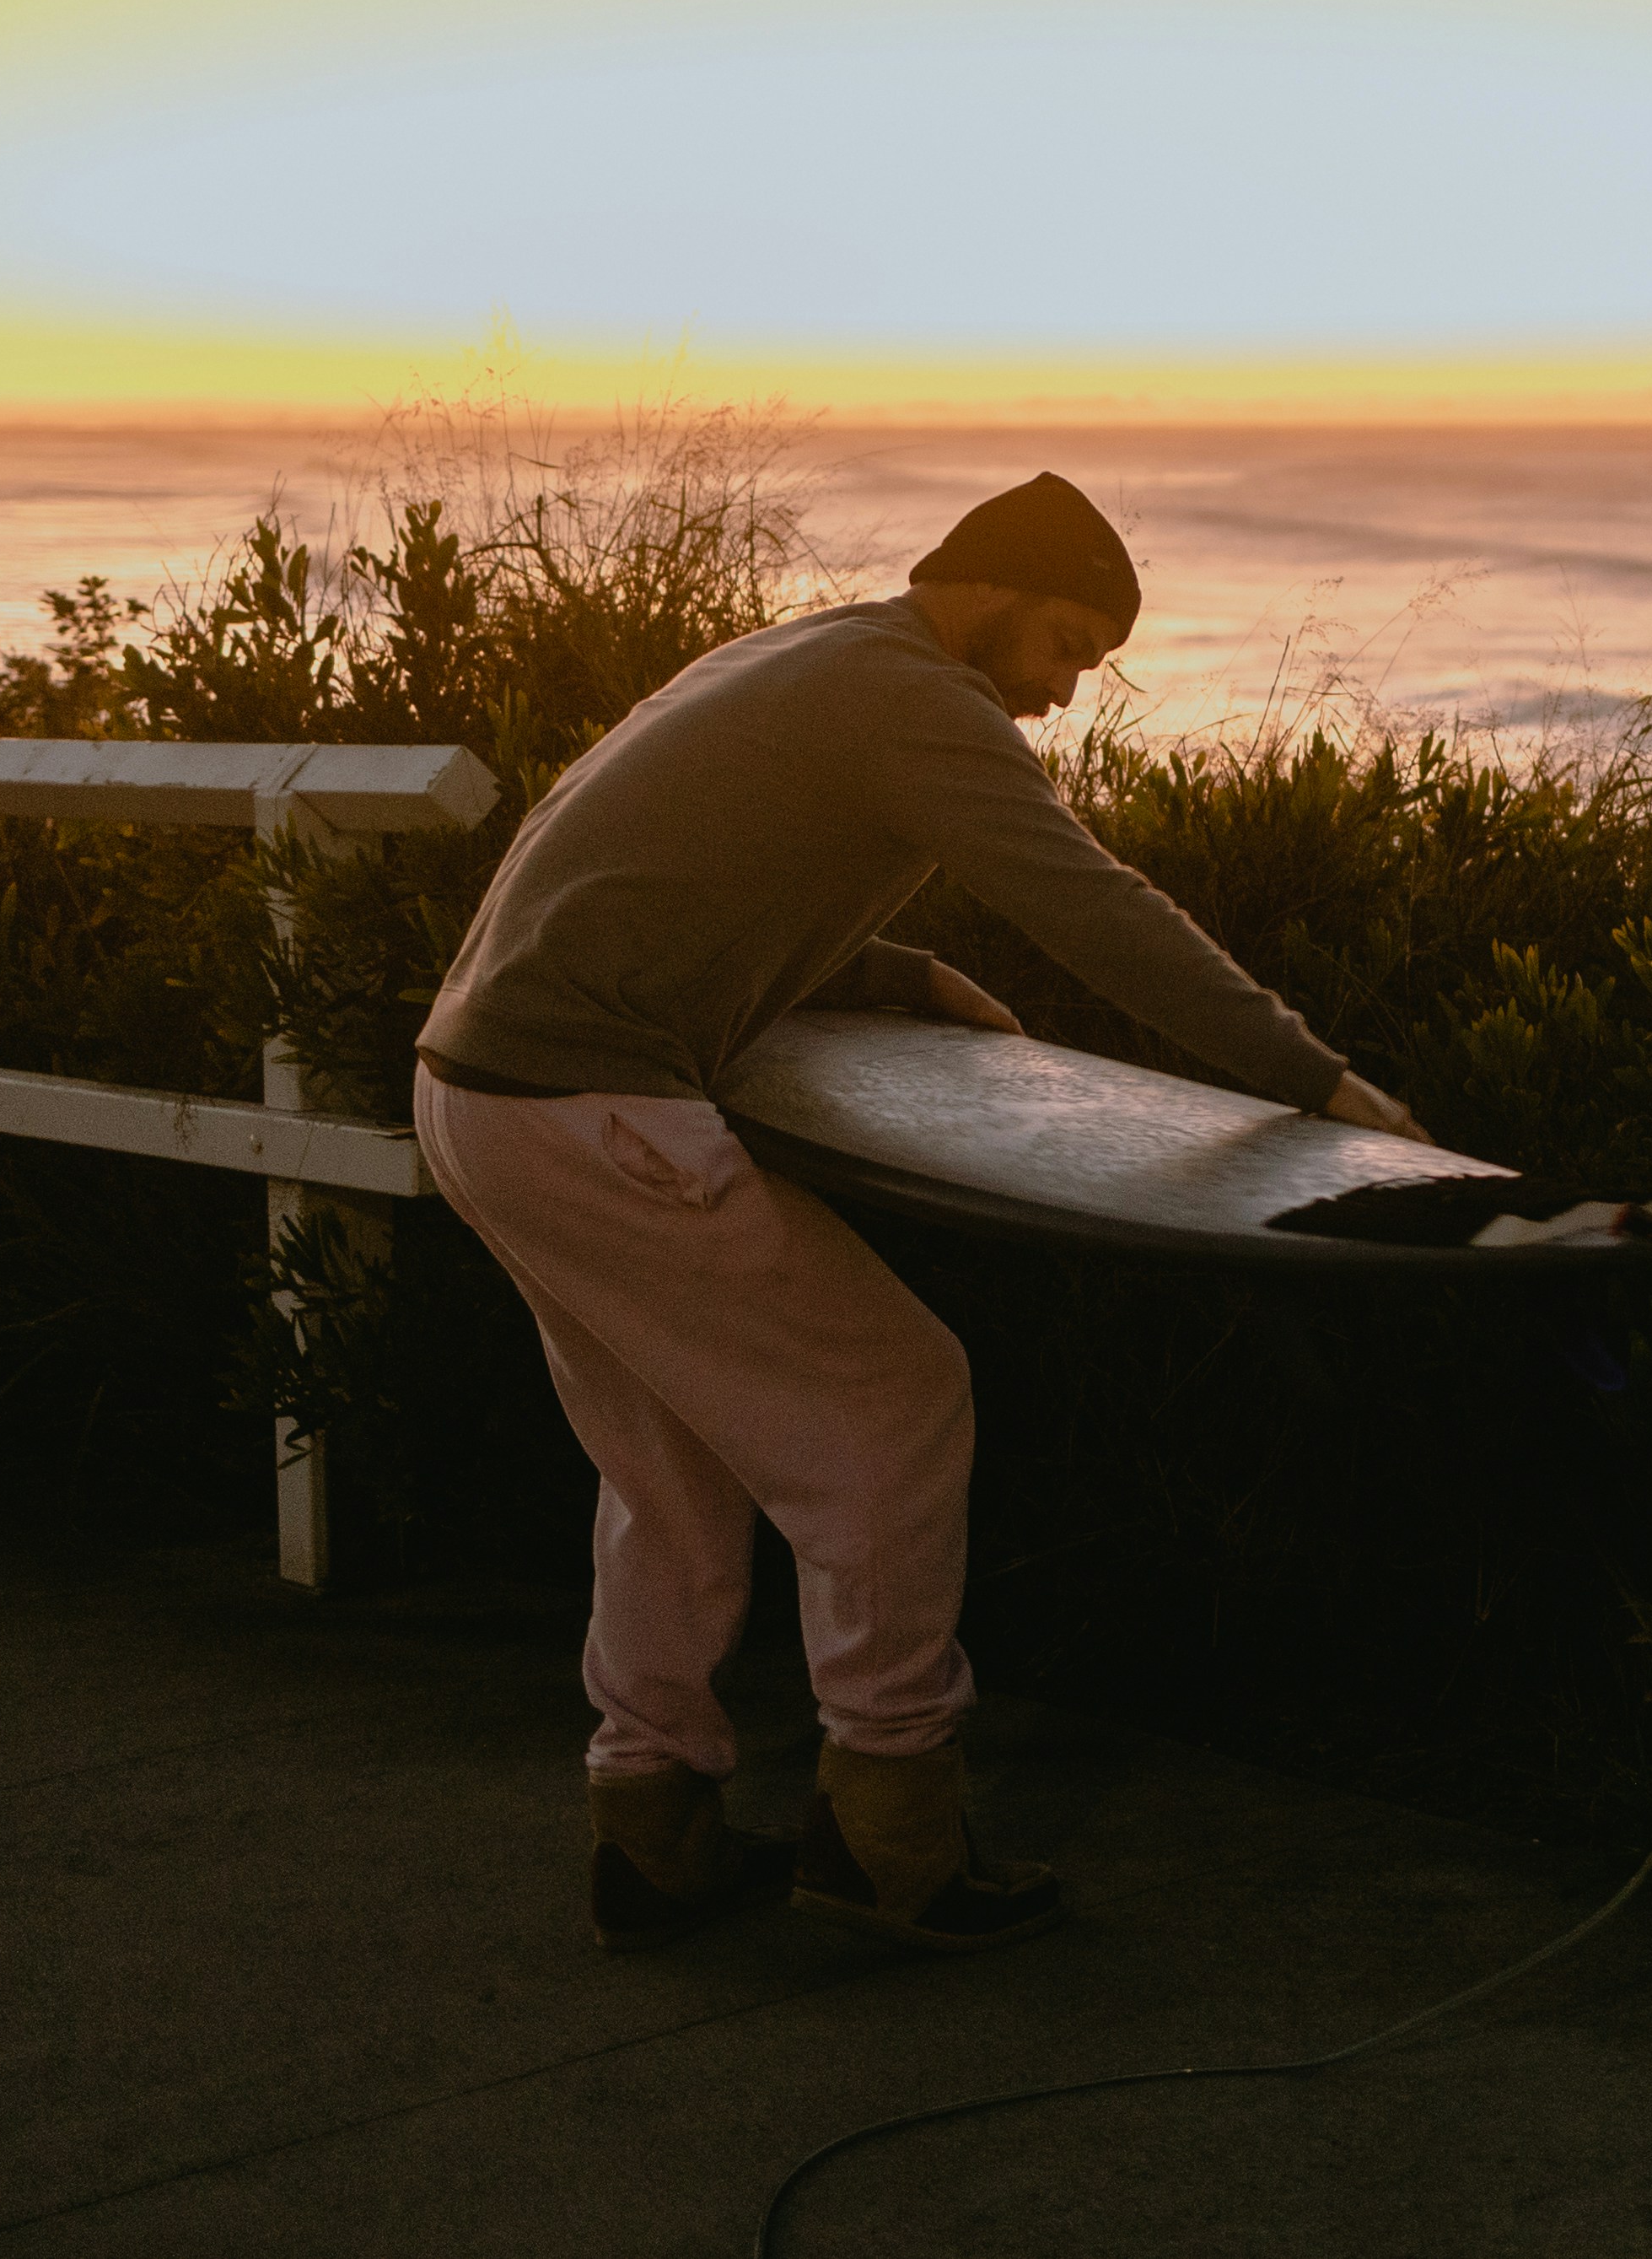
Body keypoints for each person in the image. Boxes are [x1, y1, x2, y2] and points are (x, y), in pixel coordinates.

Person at [408, 472, 1423, 1954]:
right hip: (595, 1107)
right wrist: (1313, 1079)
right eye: (1069, 645)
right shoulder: (911, 699)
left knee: (673, 1478)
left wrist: (883, 973)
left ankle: (653, 1831)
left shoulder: (803, 653)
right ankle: (889, 1825)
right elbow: (1090, 901)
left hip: (482, 1094)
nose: (1071, 694)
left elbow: (668, 871)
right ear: (994, 590)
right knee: (895, 1399)